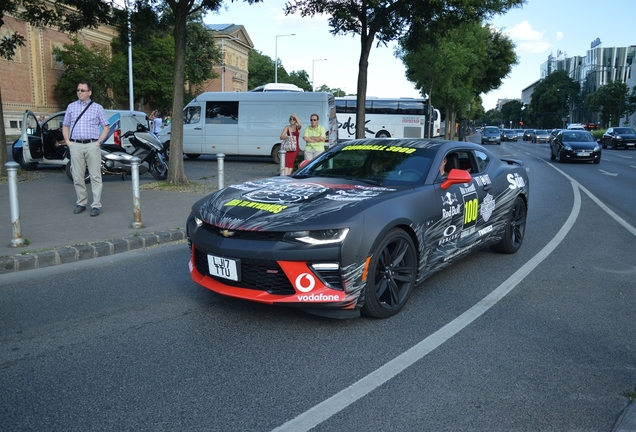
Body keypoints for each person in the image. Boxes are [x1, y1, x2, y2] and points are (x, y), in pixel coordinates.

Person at [62, 81, 109, 217]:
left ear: (90, 92)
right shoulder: (71, 107)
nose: (80, 93)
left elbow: (106, 126)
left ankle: (96, 205)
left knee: (95, 176)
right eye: (78, 90)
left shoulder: (97, 108)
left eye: (82, 90)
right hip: (75, 145)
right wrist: (68, 142)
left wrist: (99, 142)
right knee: (77, 176)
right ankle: (81, 203)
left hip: (92, 145)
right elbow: (65, 125)